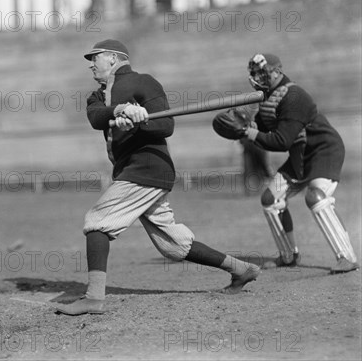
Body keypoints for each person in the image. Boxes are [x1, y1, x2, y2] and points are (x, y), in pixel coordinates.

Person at [56, 40, 261, 316]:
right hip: (133, 170)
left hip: (147, 168)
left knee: (97, 222)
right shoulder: (97, 96)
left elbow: (166, 125)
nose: (91, 64)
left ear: (115, 59)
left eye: (96, 58)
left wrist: (142, 120)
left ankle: (93, 298)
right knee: (173, 244)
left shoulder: (144, 82)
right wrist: (121, 111)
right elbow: (96, 117)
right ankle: (241, 269)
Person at [241, 53, 358, 273]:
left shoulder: (294, 97)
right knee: (270, 199)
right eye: (256, 73)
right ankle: (288, 256)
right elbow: (265, 134)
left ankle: (347, 257)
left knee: (315, 197)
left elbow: (280, 141)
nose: (259, 77)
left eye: (264, 72)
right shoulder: (268, 98)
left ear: (278, 71)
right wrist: (240, 127)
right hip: (300, 155)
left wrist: (251, 134)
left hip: (324, 151)